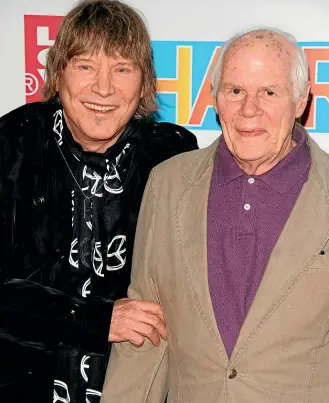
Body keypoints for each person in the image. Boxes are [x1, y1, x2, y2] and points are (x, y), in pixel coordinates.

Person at [101, 27, 329, 403]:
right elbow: (145, 332)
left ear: (301, 99)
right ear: (215, 97)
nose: (248, 109)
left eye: (269, 92)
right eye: (235, 91)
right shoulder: (168, 184)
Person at [0, 0, 198, 403]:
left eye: (122, 68)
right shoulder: (11, 145)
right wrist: (95, 319)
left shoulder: (174, 157)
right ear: (58, 73)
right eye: (85, 66)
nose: (103, 88)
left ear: (143, 82)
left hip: (135, 387)